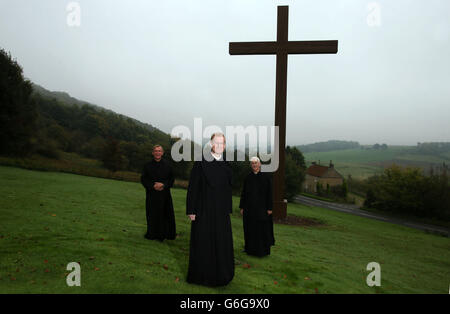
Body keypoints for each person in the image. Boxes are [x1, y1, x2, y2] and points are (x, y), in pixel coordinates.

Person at [186, 133, 234, 286]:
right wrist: (191, 210)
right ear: (211, 144)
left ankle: (221, 276)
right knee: (203, 243)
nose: (220, 145)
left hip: (221, 213)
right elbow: (193, 187)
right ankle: (201, 277)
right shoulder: (201, 162)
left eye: (222, 143)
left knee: (221, 244)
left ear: (225, 146)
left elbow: (228, 190)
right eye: (217, 142)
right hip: (203, 210)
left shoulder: (227, 165)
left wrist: (228, 209)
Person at [239, 156, 275, 257]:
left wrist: (270, 208)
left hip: (262, 210)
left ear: (259, 164)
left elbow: (269, 194)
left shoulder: (266, 178)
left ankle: (262, 251)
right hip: (249, 209)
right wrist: (242, 207)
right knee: (249, 229)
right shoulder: (248, 178)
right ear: (251, 165)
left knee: (261, 230)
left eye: (256, 163)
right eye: (252, 163)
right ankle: (249, 249)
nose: (254, 165)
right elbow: (244, 193)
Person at [141, 145, 176, 242]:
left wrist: (163, 185)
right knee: (151, 214)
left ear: (162, 153)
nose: (157, 153)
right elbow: (143, 179)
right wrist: (153, 186)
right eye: (155, 151)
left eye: (159, 151)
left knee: (164, 215)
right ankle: (151, 234)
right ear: (152, 153)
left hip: (165, 195)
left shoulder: (168, 165)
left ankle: (163, 235)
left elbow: (171, 179)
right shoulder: (147, 165)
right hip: (152, 194)